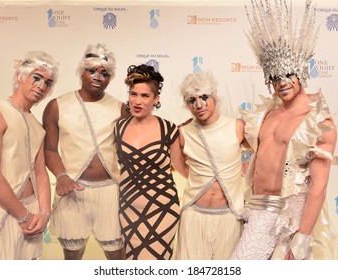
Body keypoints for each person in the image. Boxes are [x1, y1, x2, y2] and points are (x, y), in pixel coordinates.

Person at [231, 0, 338, 260]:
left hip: (289, 218)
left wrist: (302, 237)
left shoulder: (318, 121)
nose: (282, 82)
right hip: (255, 212)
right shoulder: (266, 114)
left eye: (288, 74)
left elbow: (319, 186)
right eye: (275, 76)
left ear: (301, 73)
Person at [42, 43, 129, 260]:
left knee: (117, 257)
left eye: (105, 73)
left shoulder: (120, 108)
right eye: (92, 71)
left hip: (111, 190)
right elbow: (50, 149)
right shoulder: (57, 105)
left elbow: (135, 148)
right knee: (72, 257)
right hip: (72, 191)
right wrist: (61, 177)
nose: (98, 77)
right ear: (81, 71)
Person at [0, 50, 58, 259]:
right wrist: (24, 216)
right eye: (36, 78)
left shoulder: (37, 126)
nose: (41, 86)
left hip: (31, 219)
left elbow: (40, 174)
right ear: (20, 76)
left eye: (48, 83)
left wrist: (44, 214)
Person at [114, 64, 188, 260]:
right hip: (128, 210)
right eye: (133, 94)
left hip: (162, 210)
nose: (137, 101)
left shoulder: (169, 129)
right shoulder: (118, 128)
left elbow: (181, 168)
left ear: (156, 99)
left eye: (145, 96)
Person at [175, 70, 247, 260]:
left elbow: (264, 153)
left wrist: (244, 170)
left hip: (230, 215)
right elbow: (178, 166)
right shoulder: (182, 132)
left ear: (215, 97)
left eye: (204, 97)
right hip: (194, 215)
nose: (198, 105)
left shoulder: (237, 126)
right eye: (192, 100)